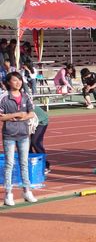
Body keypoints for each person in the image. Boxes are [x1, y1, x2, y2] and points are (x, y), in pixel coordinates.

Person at [0, 72, 37, 206]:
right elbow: (0, 116)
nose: (18, 82)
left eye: (20, 80)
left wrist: (23, 116)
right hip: (9, 135)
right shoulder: (4, 98)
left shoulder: (26, 96)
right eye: (15, 80)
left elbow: (31, 113)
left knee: (24, 163)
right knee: (9, 164)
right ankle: (8, 193)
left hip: (24, 134)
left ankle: (27, 190)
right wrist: (15, 115)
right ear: (9, 82)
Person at [30, 105, 50, 174]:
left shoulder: (24, 103)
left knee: (35, 142)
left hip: (41, 122)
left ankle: (45, 165)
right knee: (27, 143)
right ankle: (31, 163)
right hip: (32, 121)